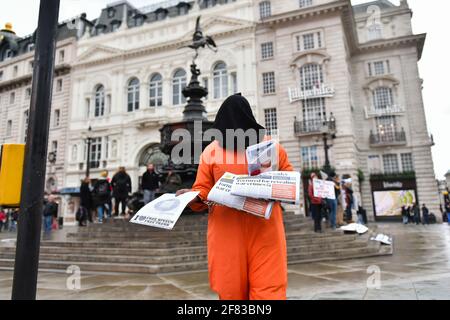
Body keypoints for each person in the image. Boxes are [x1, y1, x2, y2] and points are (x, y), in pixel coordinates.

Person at [176, 94, 293, 300]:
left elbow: (289, 182)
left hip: (257, 229)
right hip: (237, 231)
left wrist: (274, 188)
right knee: (237, 291)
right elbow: (202, 189)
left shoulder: (270, 147)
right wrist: (191, 197)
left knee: (265, 290)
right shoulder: (212, 152)